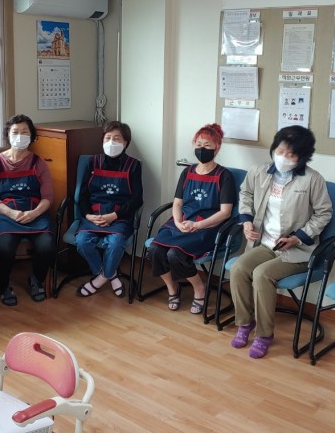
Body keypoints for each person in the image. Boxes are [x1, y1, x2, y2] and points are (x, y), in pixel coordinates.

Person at [229, 125, 332, 359]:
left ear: (302, 157)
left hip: (298, 249)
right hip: (266, 244)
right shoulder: (259, 171)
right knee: (238, 268)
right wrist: (246, 221)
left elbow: (324, 213)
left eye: (291, 154)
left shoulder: (313, 180)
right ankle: (245, 323)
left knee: (262, 275)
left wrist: (297, 237)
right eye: (280, 151)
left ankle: (264, 334)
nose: (283, 157)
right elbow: (246, 194)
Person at [149, 123, 237, 315]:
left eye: (207, 145)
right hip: (182, 222)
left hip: (207, 227)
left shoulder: (224, 176)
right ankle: (173, 288)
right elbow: (177, 203)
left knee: (175, 254)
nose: (201, 149)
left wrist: (198, 225)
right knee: (155, 250)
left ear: (217, 147)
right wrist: (178, 222)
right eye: (198, 145)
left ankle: (199, 288)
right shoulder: (187, 172)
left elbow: (225, 212)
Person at [0, 114, 55, 306]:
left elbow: (48, 197)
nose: (20, 136)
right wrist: (11, 213)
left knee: (47, 245)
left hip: (35, 213)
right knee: (5, 247)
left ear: (32, 136)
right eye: (15, 132)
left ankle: (36, 279)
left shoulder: (39, 163)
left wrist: (34, 213)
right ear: (8, 134)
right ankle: (4, 285)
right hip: (5, 214)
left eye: (25, 132)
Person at [75, 121, 143, 298]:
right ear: (102, 140)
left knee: (115, 244)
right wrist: (88, 215)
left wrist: (114, 215)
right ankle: (111, 275)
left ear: (126, 142)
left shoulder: (133, 165)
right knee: (82, 242)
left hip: (119, 217)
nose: (111, 142)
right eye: (108, 138)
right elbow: (82, 195)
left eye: (117, 138)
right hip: (94, 216)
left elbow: (137, 199)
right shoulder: (92, 162)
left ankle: (99, 280)